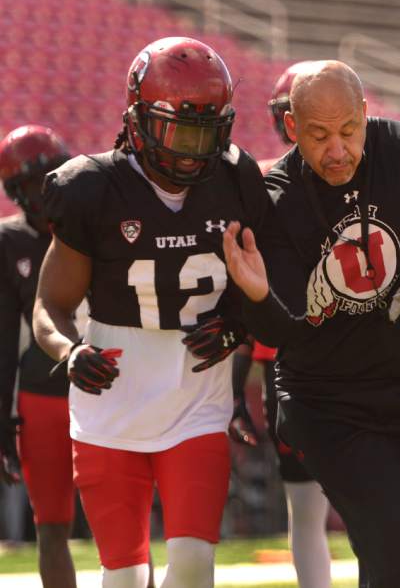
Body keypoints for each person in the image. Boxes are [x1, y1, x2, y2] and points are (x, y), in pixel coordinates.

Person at [221, 60, 400, 588]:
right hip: (337, 406)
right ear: (293, 129)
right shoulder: (276, 197)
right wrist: (256, 296)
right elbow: (284, 331)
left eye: (349, 131)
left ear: (365, 116)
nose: (337, 150)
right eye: (320, 136)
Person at [32, 36, 268, 588]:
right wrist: (69, 351)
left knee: (193, 564)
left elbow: (261, 280)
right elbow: (52, 303)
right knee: (124, 574)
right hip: (110, 401)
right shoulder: (92, 188)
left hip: (198, 397)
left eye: (207, 134)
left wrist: (235, 323)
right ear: (138, 120)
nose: (193, 150)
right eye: (181, 131)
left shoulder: (236, 180)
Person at [231, 60, 333, 588]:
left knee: (367, 494)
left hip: (356, 355)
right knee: (305, 502)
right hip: (287, 363)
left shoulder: (362, 176)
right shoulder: (266, 183)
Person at [0, 125, 76, 587]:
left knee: (122, 520)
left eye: (52, 179)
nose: (46, 193)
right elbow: (5, 338)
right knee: (51, 523)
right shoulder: (9, 242)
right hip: (42, 392)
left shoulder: (92, 221)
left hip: (107, 385)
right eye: (34, 183)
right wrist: (3, 420)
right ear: (15, 191)